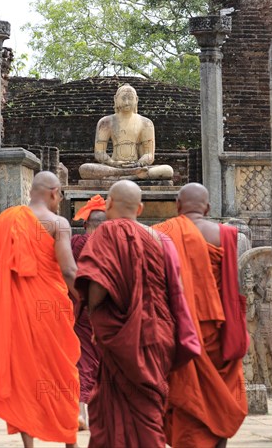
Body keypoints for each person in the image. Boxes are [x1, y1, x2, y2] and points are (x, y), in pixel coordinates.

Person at [0, 171, 81, 448]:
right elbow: (69, 270)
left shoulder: (4, 222)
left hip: (17, 310)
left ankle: (29, 444)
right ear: (55, 192)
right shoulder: (58, 223)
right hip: (51, 309)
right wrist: (85, 301)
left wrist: (15, 275)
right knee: (61, 371)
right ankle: (70, 440)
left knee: (23, 374)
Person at [74, 180, 179, 447]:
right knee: (149, 410)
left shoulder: (105, 233)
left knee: (112, 411)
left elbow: (97, 287)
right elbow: (172, 287)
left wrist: (96, 317)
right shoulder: (160, 238)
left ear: (108, 205)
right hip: (156, 332)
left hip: (120, 336)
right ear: (140, 208)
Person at [153, 183, 249, 448]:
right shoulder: (230, 236)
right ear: (207, 208)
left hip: (179, 332)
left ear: (177, 205)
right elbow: (235, 287)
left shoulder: (161, 233)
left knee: (187, 392)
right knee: (220, 395)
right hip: (219, 332)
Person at [79, 84, 173, 181]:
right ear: (115, 99)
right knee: (85, 169)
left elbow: (149, 155)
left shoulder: (146, 123)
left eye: (130, 98)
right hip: (113, 166)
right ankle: (133, 176)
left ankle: (125, 175)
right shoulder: (106, 122)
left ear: (136, 100)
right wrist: (112, 163)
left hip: (137, 166)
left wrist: (138, 164)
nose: (127, 102)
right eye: (123, 98)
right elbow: (99, 153)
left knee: (168, 170)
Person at [71, 195, 107, 431]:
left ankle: (83, 410)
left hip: (79, 307)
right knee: (101, 362)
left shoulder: (75, 242)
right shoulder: (112, 245)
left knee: (84, 360)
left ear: (85, 225)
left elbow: (66, 271)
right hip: (106, 310)